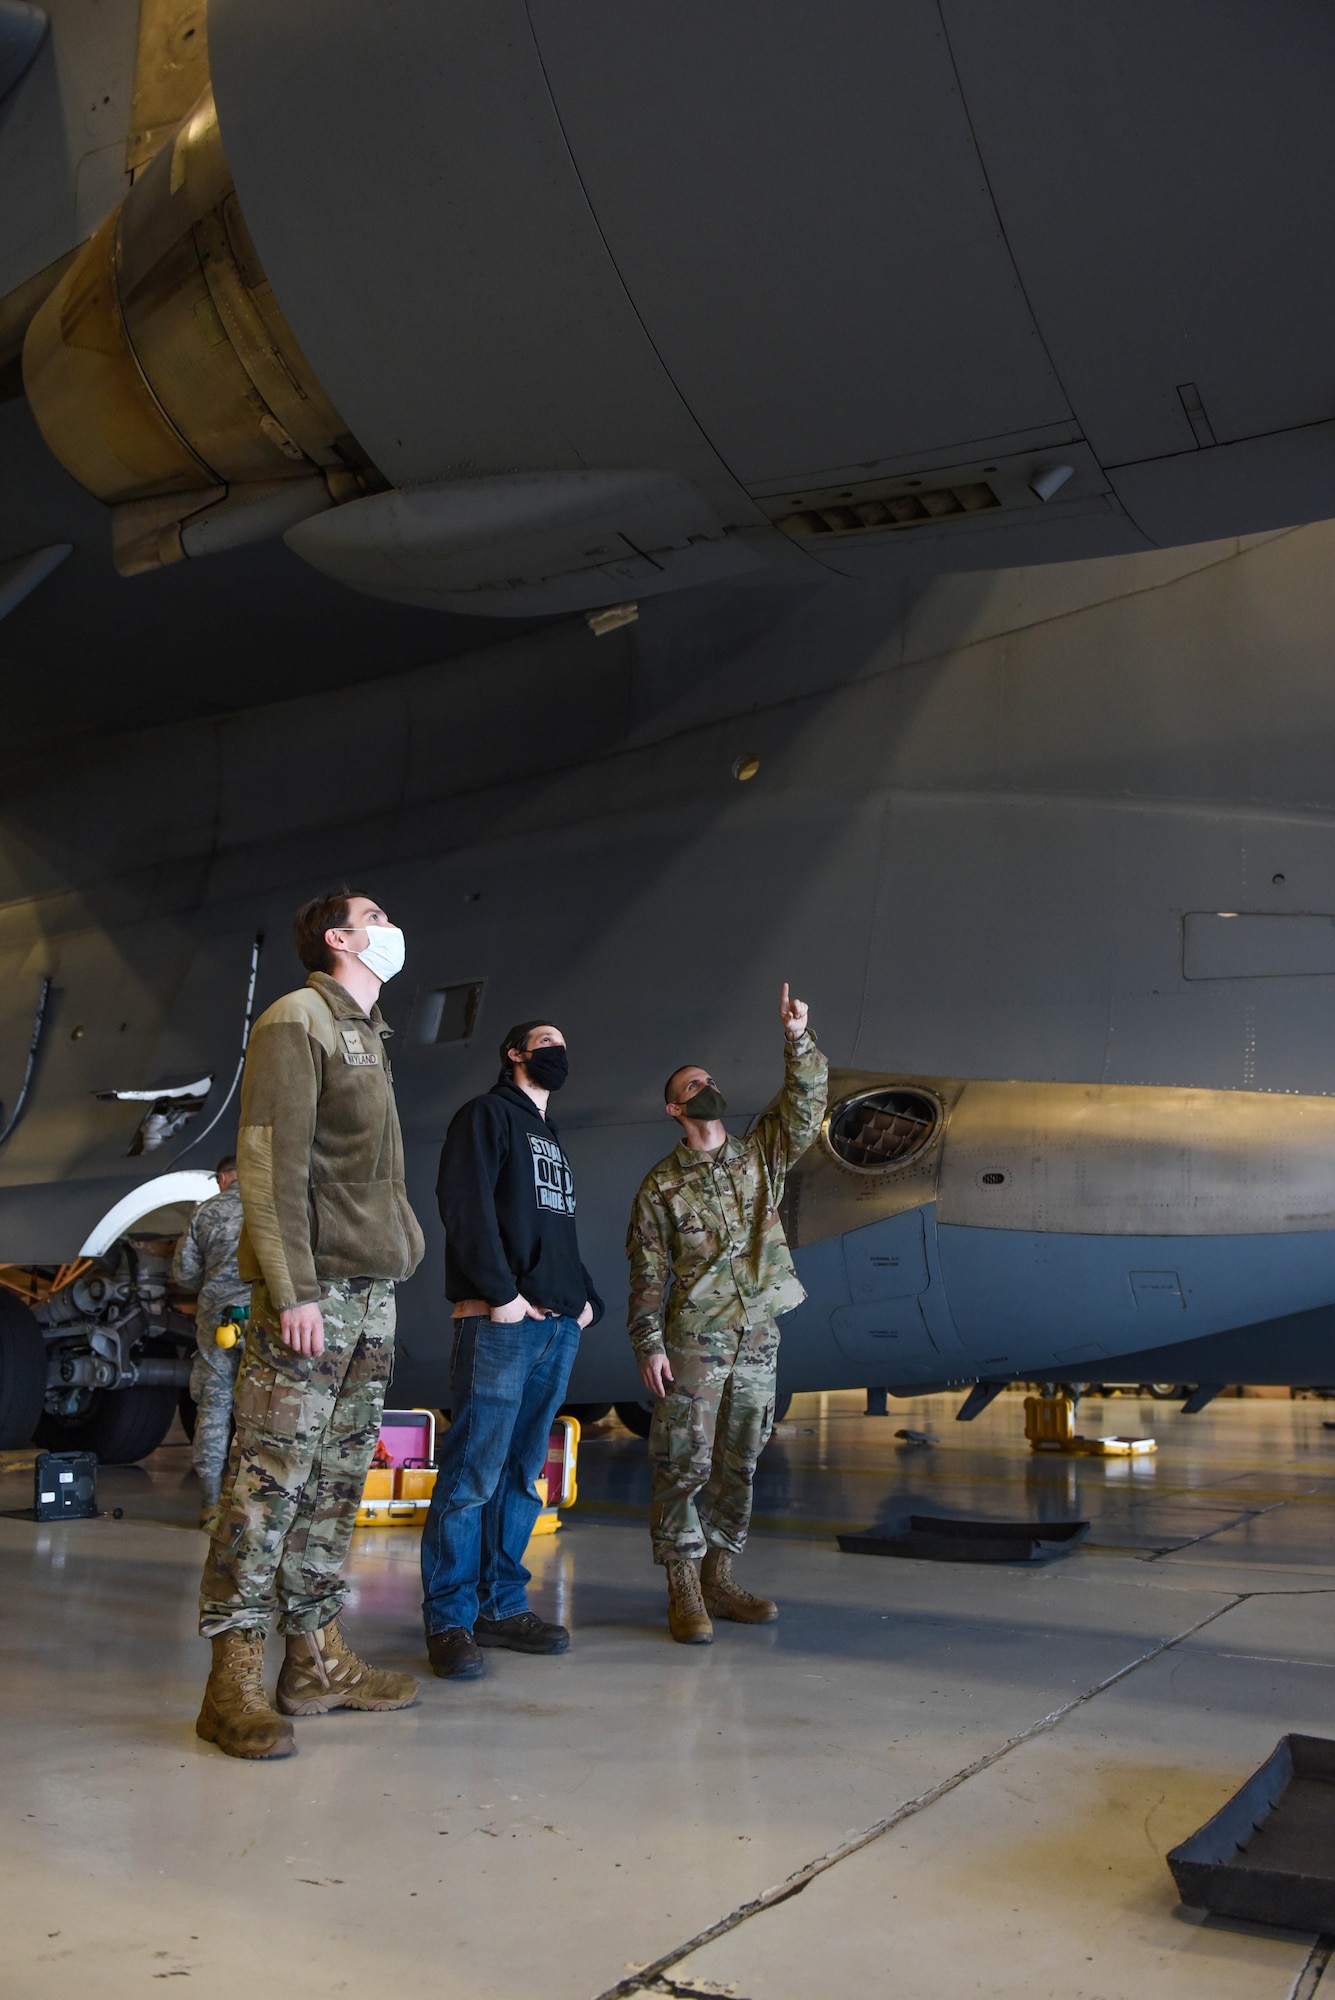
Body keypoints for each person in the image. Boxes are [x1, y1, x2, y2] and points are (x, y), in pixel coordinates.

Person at [196, 890, 426, 1760]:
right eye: (377, 914)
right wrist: (289, 1289)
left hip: (370, 1290)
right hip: (316, 1291)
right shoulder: (297, 1019)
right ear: (339, 938)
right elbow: (267, 1160)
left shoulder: (367, 1033)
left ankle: (316, 1662)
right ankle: (232, 1683)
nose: (391, 926)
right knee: (267, 1481)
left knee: (332, 1485)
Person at [626, 984, 828, 1643]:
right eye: (693, 1084)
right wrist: (647, 1345)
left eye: (709, 1079)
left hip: (757, 1334)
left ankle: (720, 1576)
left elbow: (804, 1108)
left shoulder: (758, 1155)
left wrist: (797, 1039)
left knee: (742, 1457)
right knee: (685, 1458)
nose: (706, 1087)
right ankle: (682, 1587)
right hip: (696, 1338)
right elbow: (647, 1271)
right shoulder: (661, 1185)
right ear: (674, 1107)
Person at [420, 1021, 601, 1680]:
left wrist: (586, 1304)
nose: (558, 1049)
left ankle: (500, 1607)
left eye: (563, 1040)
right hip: (501, 1323)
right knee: (471, 1478)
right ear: (515, 1054)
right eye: (545, 1041)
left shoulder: (548, 1136)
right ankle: (449, 1620)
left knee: (521, 1477)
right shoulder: (486, 1115)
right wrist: (500, 1295)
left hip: (554, 1326)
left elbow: (554, 1233)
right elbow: (462, 1205)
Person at [172, 1154, 248, 1535]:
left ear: (222, 1177)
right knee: (262, 1410)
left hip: (217, 1320)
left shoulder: (206, 1212)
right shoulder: (273, 1206)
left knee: (214, 1407)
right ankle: (254, 1505)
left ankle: (209, 1506)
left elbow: (184, 1274)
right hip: (265, 1319)